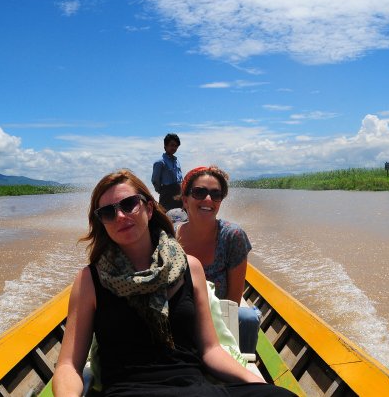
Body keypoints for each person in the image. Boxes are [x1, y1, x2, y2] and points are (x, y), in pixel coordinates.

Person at [52, 170, 294, 397]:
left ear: (148, 208)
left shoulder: (190, 268)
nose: (121, 216)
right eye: (108, 212)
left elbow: (211, 350)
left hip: (195, 390)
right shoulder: (90, 280)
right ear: (102, 222)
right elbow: (68, 365)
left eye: (129, 204)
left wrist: (257, 383)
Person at [175, 166, 260, 354]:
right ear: (185, 200)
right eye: (199, 192)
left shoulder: (232, 236)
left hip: (219, 321)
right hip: (178, 321)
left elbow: (232, 302)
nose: (208, 199)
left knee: (248, 319)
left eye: (216, 194)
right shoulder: (170, 236)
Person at [151, 133, 183, 211]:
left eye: (176, 146)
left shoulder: (177, 161)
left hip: (179, 194)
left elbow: (180, 178)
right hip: (167, 195)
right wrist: (162, 191)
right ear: (165, 146)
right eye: (172, 145)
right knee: (166, 215)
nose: (174, 148)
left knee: (180, 215)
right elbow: (155, 180)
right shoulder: (160, 162)